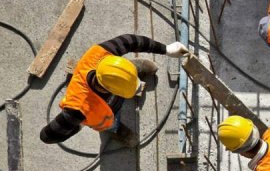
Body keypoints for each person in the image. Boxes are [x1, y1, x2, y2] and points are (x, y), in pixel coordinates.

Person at [40, 34, 189, 146]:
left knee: (123, 73)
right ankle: (116, 130)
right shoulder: (78, 109)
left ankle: (132, 69)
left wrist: (165, 49)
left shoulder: (101, 53)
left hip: (115, 73)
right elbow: (46, 136)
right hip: (105, 115)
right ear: (109, 90)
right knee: (111, 123)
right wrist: (77, 125)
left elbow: (131, 41)